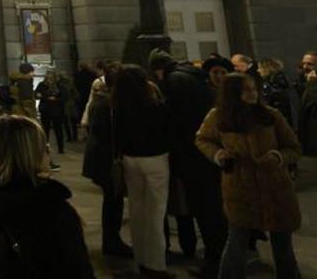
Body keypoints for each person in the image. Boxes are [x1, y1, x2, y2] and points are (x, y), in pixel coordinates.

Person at [196, 72, 302, 279]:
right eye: (246, 90)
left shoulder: (270, 115)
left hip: (275, 186)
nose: (252, 94)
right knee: (237, 241)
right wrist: (218, 154)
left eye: (254, 89)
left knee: (282, 243)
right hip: (240, 186)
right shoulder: (218, 117)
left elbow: (294, 147)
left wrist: (277, 156)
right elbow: (203, 139)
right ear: (232, 93)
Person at [0, 115, 95, 278]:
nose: (48, 154)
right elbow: (77, 270)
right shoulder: (51, 209)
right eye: (44, 148)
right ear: (32, 154)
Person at [149, 47, 227, 277]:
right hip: (207, 150)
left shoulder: (173, 82)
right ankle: (222, 256)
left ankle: (215, 263)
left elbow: (175, 121)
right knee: (214, 207)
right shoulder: (193, 76)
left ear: (158, 70)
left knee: (204, 209)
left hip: (192, 154)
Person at [111, 64, 171, 278]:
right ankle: (156, 265)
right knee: (155, 214)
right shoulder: (156, 106)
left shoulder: (118, 106)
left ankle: (140, 260)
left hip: (130, 159)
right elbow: (167, 131)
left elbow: (117, 136)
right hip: (155, 159)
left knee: (136, 212)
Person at [81, 66, 133, 258]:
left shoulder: (102, 102)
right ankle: (111, 241)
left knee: (112, 201)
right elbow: (107, 135)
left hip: (102, 160)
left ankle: (111, 239)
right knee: (113, 202)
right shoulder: (107, 105)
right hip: (106, 161)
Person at [35, 68, 67, 154]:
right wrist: (44, 97)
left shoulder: (59, 86)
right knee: (45, 130)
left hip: (56, 110)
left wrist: (54, 99)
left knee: (58, 129)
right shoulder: (42, 85)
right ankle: (46, 148)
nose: (49, 78)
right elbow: (36, 94)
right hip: (46, 110)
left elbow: (64, 97)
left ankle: (61, 148)